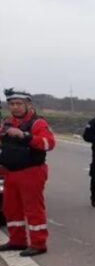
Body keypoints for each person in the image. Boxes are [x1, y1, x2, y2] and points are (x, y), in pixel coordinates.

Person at [0, 89, 56, 256]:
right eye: (12, 104)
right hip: (10, 172)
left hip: (31, 171)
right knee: (11, 208)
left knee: (33, 209)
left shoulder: (38, 123)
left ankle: (39, 244)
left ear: (28, 105)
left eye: (19, 104)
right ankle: (17, 241)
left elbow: (49, 144)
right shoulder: (7, 123)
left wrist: (25, 136)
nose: (15, 107)